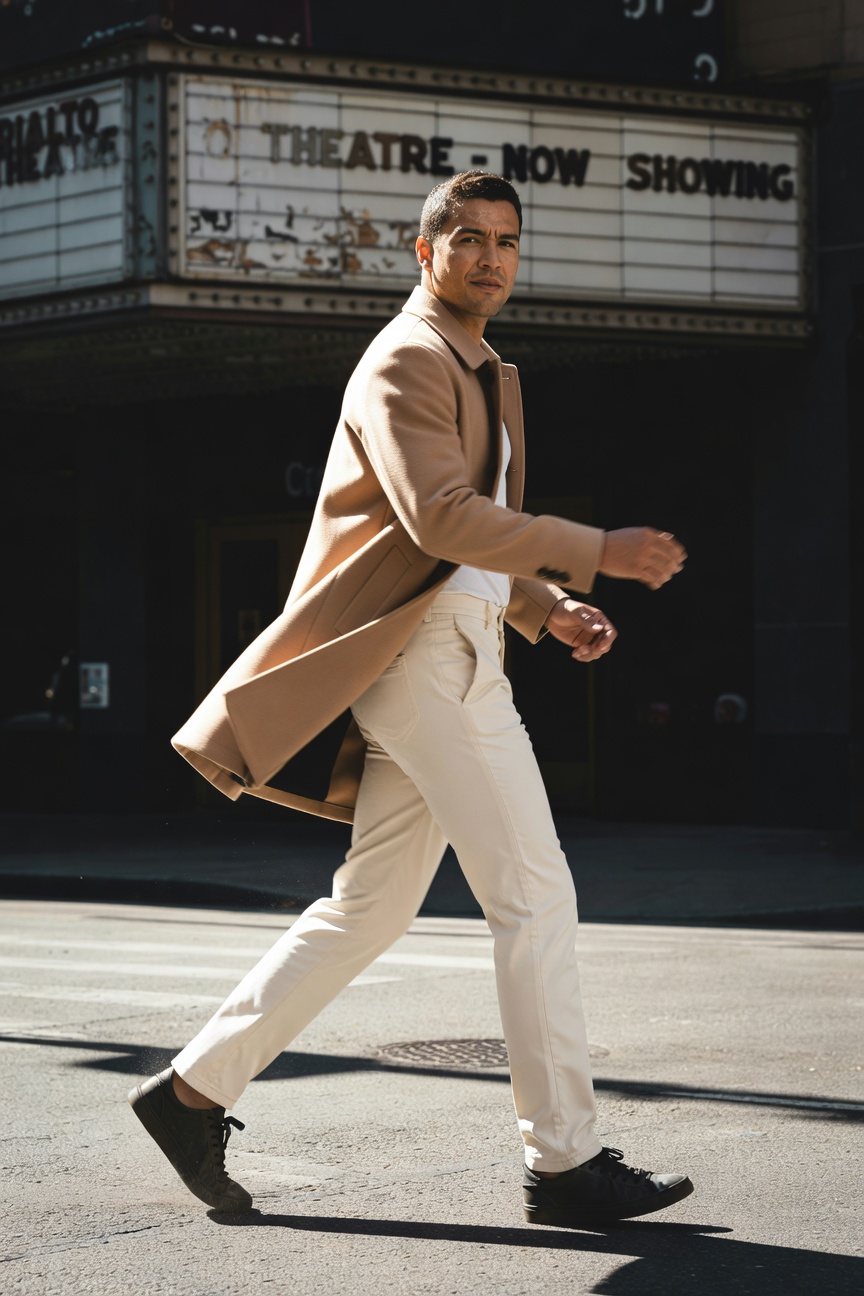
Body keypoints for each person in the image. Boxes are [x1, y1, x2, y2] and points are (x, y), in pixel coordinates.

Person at [129, 171, 692, 1228]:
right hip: (427, 663)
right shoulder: (405, 359)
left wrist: (542, 602)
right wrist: (597, 549)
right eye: (468, 238)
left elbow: (456, 534)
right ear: (422, 252)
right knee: (536, 897)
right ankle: (564, 1163)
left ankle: (192, 1090)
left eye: (507, 242)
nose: (490, 256)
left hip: (459, 643)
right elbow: (436, 517)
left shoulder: (479, 368)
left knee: (369, 906)